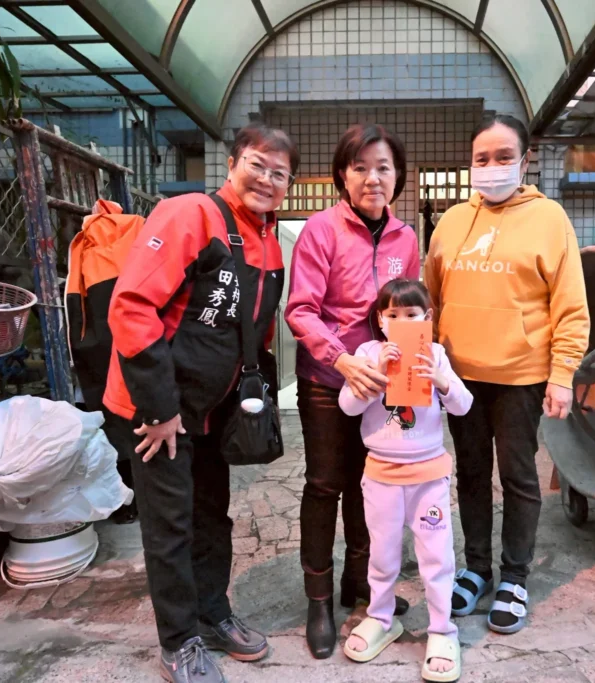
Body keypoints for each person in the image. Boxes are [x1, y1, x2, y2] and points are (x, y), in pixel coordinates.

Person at [104, 123, 298, 683]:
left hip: (213, 411)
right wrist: (160, 410)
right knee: (171, 525)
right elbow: (132, 307)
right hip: (158, 411)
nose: (266, 179)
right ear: (232, 163)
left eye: (279, 173)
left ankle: (212, 614)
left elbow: (254, 332)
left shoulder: (269, 240)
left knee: (212, 516)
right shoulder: (189, 214)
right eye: (257, 164)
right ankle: (178, 642)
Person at [424, 114, 590, 635]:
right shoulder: (452, 221)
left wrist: (562, 374)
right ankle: (477, 569)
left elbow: (571, 306)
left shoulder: (549, 219)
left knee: (518, 476)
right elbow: (430, 298)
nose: (492, 166)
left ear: (525, 161)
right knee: (471, 474)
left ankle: (515, 577)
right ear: (470, 164)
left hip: (521, 375)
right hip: (460, 379)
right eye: (482, 158)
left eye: (503, 157)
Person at [285, 123, 420, 659]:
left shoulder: (405, 238)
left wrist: (407, 386)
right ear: (342, 175)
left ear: (398, 175)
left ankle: (360, 584)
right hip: (326, 381)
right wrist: (341, 358)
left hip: (381, 387)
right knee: (324, 485)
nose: (372, 178)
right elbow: (300, 309)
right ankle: (318, 599)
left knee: (372, 487)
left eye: (383, 167)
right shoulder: (321, 230)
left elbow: (410, 314)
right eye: (360, 167)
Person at [339, 278, 471, 682]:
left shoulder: (436, 354)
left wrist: (442, 381)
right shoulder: (367, 353)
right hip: (381, 474)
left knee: (436, 557)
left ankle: (442, 630)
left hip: (428, 475)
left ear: (427, 318)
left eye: (411, 314)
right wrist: (376, 373)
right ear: (381, 320)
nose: (402, 321)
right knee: (381, 554)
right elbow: (347, 406)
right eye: (393, 314)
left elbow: (464, 406)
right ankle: (381, 617)